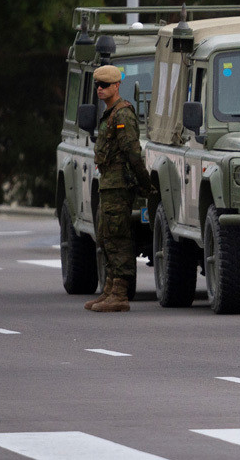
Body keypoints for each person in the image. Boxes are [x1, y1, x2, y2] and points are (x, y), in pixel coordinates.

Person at [85, 64, 155, 312]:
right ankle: (109, 289)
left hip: (119, 185)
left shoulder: (123, 114)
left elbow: (133, 154)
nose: (100, 89)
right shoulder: (109, 113)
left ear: (117, 86)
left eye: (105, 85)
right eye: (98, 85)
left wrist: (145, 185)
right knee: (105, 236)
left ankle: (120, 293)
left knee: (118, 237)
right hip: (108, 184)